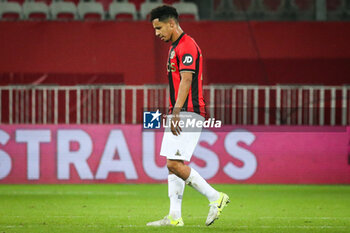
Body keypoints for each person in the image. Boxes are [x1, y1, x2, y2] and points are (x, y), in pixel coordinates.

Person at [146, 5, 230, 227]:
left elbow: (186, 80)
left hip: (188, 111)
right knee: (173, 163)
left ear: (172, 23)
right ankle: (174, 216)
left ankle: (216, 197)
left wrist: (176, 111)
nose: (157, 33)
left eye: (159, 28)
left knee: (174, 164)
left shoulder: (187, 46)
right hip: (182, 110)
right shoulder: (175, 47)